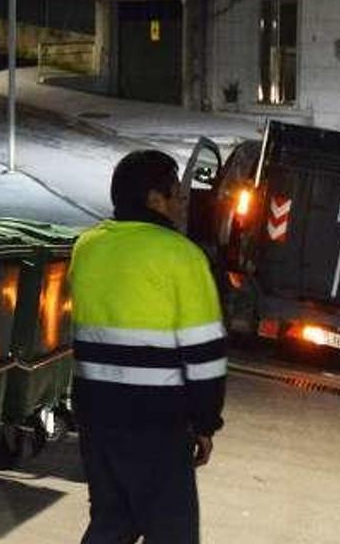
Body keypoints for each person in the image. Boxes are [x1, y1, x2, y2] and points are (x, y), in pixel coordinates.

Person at [67, 150, 227, 544]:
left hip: (97, 417)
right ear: (154, 200)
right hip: (155, 423)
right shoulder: (181, 257)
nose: (183, 200)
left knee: (112, 522)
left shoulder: (86, 247)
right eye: (176, 192)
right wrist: (205, 423)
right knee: (173, 531)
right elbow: (204, 356)